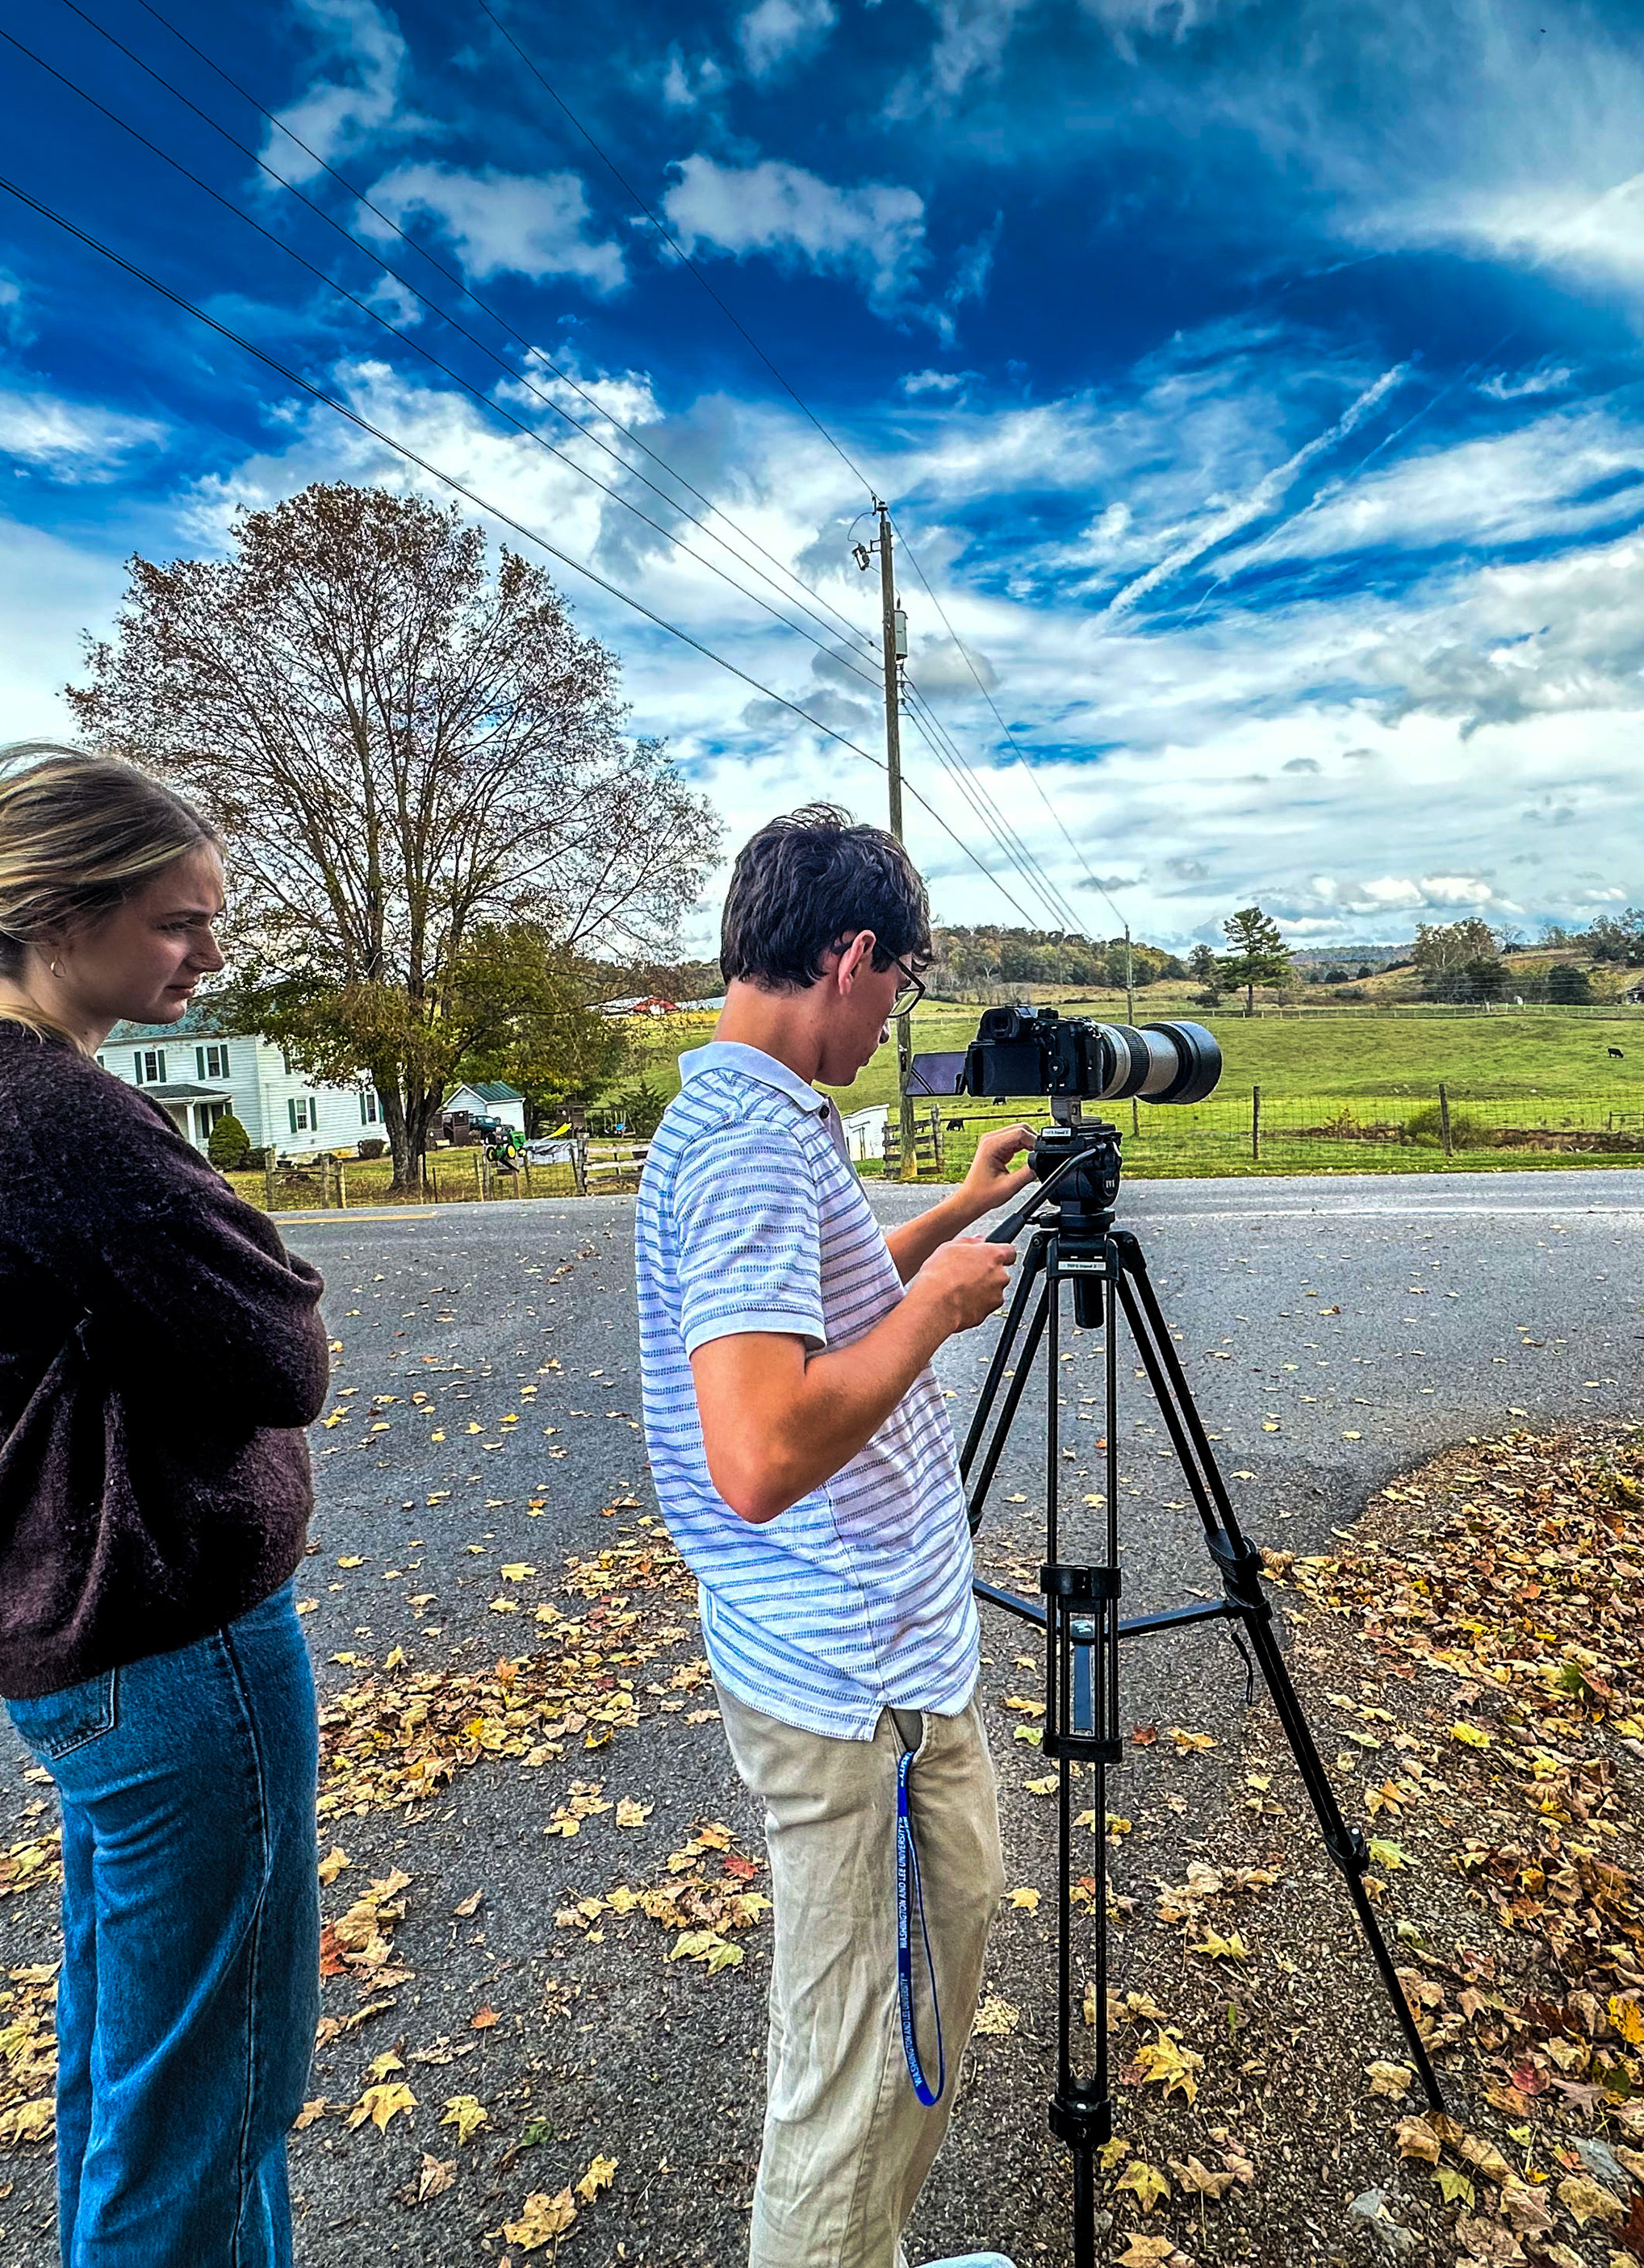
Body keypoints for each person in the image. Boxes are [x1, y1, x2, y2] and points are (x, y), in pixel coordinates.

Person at [0, 742, 328, 2268]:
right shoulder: (41, 1110)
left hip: (95, 1652)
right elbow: (283, 1349)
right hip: (173, 1654)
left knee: (142, 2077)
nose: (209, 952)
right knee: (208, 2103)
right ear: (63, 916)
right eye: (180, 921)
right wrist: (253, 1263)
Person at [634, 804, 1035, 2268]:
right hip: (851, 1672)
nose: (894, 1017)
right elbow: (756, 1457)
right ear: (852, 956)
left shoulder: (748, 1117)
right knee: (857, 2062)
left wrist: (949, 1222)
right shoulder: (751, 1143)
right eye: (902, 984)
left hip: (863, 1649)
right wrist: (932, 1313)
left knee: (901, 2004)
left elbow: (817, 1300)